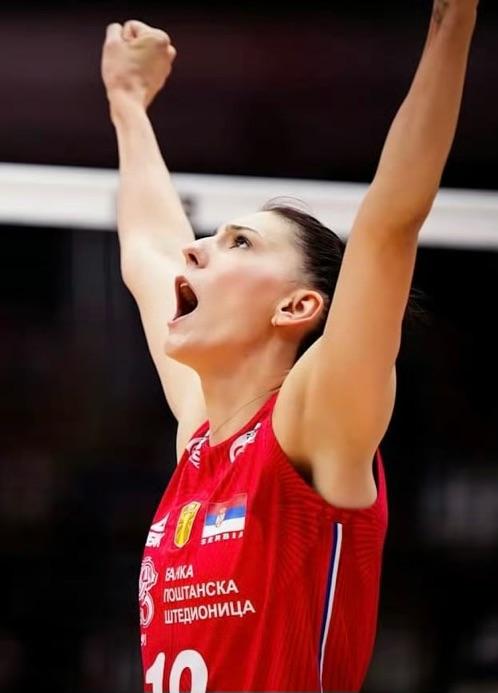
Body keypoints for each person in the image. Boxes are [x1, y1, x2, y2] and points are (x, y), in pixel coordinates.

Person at [101, 3, 478, 690]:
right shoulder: (202, 436)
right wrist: (128, 101)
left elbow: (389, 222)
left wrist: (452, 20)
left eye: (239, 242)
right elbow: (151, 249)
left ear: (298, 306)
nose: (197, 247)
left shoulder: (315, 418)